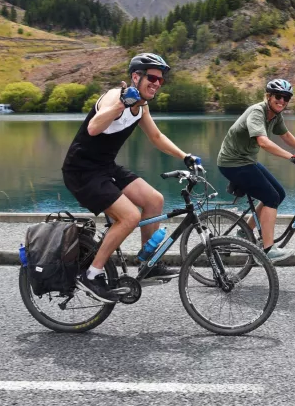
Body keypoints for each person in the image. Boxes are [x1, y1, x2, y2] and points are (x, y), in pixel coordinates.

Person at [62, 52, 201, 303]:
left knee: (154, 200)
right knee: (130, 216)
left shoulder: (141, 106)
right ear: (136, 76)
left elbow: (156, 137)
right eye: (152, 78)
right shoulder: (117, 96)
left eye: (161, 80)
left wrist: (185, 156)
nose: (157, 84)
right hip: (82, 171)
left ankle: (148, 263)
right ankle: (92, 275)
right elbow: (94, 127)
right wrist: (121, 104)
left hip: (105, 167)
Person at [216, 79, 295, 263]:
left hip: (246, 161)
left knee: (278, 194)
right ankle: (267, 250)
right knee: (270, 198)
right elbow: (262, 142)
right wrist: (291, 157)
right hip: (232, 163)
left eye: (286, 98)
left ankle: (243, 232)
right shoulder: (257, 112)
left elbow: (285, 134)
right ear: (268, 96)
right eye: (278, 96)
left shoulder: (275, 114)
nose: (282, 101)